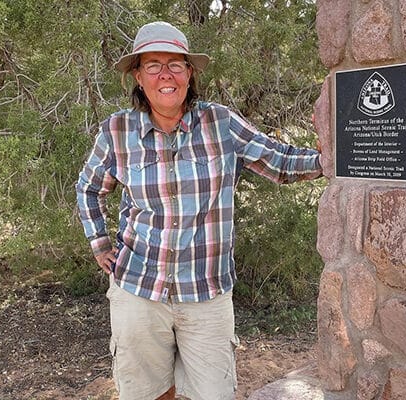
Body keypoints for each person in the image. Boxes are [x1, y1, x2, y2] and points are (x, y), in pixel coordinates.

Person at [75, 21, 322, 400]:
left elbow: (280, 162)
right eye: (153, 65)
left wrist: (334, 159)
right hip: (139, 288)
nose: (165, 74)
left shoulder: (220, 123)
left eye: (175, 64)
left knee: (213, 393)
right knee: (147, 392)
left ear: (190, 73)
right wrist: (99, 242)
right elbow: (89, 188)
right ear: (138, 77)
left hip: (206, 290)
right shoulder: (117, 131)